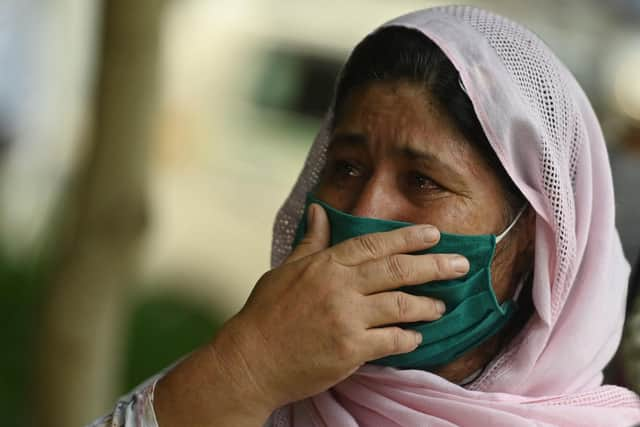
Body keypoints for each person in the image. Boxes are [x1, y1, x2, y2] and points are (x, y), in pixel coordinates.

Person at [89, 6, 640, 426]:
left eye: (422, 181)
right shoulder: (235, 395)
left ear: (535, 241)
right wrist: (247, 369)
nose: (365, 210)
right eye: (348, 167)